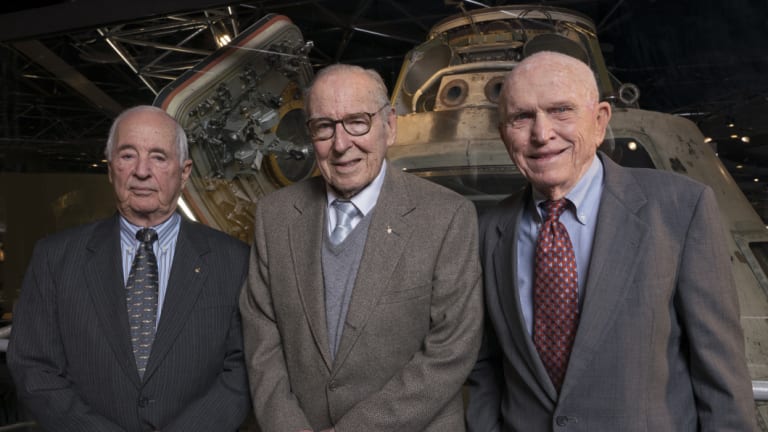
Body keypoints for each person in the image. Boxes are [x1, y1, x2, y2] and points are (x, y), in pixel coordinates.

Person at [466, 51, 757, 431]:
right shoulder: (487, 231)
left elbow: (720, 375)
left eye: (561, 110)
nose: (542, 134)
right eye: (522, 117)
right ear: (504, 131)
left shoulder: (681, 208)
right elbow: (484, 365)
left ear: (601, 120)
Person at [239, 64, 483, 432]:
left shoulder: (448, 216)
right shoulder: (274, 216)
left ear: (390, 126)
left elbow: (451, 350)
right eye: (324, 126)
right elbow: (262, 340)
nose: (340, 144)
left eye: (358, 122)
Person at [8, 105, 251, 431]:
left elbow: (244, 367)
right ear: (110, 169)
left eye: (159, 157)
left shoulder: (234, 261)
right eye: (127, 156)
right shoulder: (56, 258)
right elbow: (34, 366)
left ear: (184, 171)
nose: (141, 171)